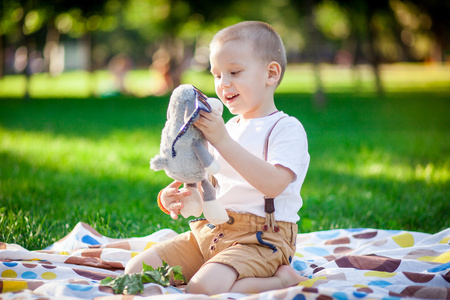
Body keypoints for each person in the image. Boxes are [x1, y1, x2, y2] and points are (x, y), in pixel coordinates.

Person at [125, 21, 310, 295]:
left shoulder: (285, 128)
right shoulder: (227, 128)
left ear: (271, 73)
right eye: (217, 74)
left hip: (261, 239)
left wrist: (222, 140)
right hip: (212, 232)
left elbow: (273, 184)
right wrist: (178, 197)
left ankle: (282, 280)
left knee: (202, 288)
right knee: (135, 272)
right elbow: (210, 189)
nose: (224, 83)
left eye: (234, 72)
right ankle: (220, 273)